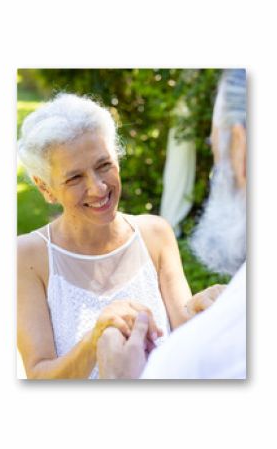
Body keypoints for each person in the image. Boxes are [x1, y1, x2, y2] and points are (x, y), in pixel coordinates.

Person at [17, 93, 220, 379]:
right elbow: (38, 377)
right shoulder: (26, 257)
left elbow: (185, 333)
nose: (98, 188)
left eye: (104, 165)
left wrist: (207, 309)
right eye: (75, 178)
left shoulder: (156, 234)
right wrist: (95, 339)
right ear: (46, 188)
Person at [96, 68, 246, 379]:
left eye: (213, 139)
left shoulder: (192, 361)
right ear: (44, 187)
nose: (98, 188)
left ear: (240, 150)